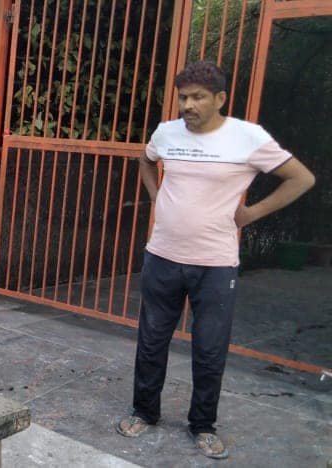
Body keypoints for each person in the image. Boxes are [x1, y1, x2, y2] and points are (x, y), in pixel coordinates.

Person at [116, 61, 315, 459]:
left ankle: (203, 425)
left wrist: (252, 213)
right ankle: (144, 411)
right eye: (183, 97)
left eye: (198, 97)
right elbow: (144, 161)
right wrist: (157, 197)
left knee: (209, 348)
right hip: (162, 256)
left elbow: (301, 178)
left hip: (216, 263)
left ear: (220, 99)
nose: (188, 105)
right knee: (152, 341)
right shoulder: (166, 133)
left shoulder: (248, 137)